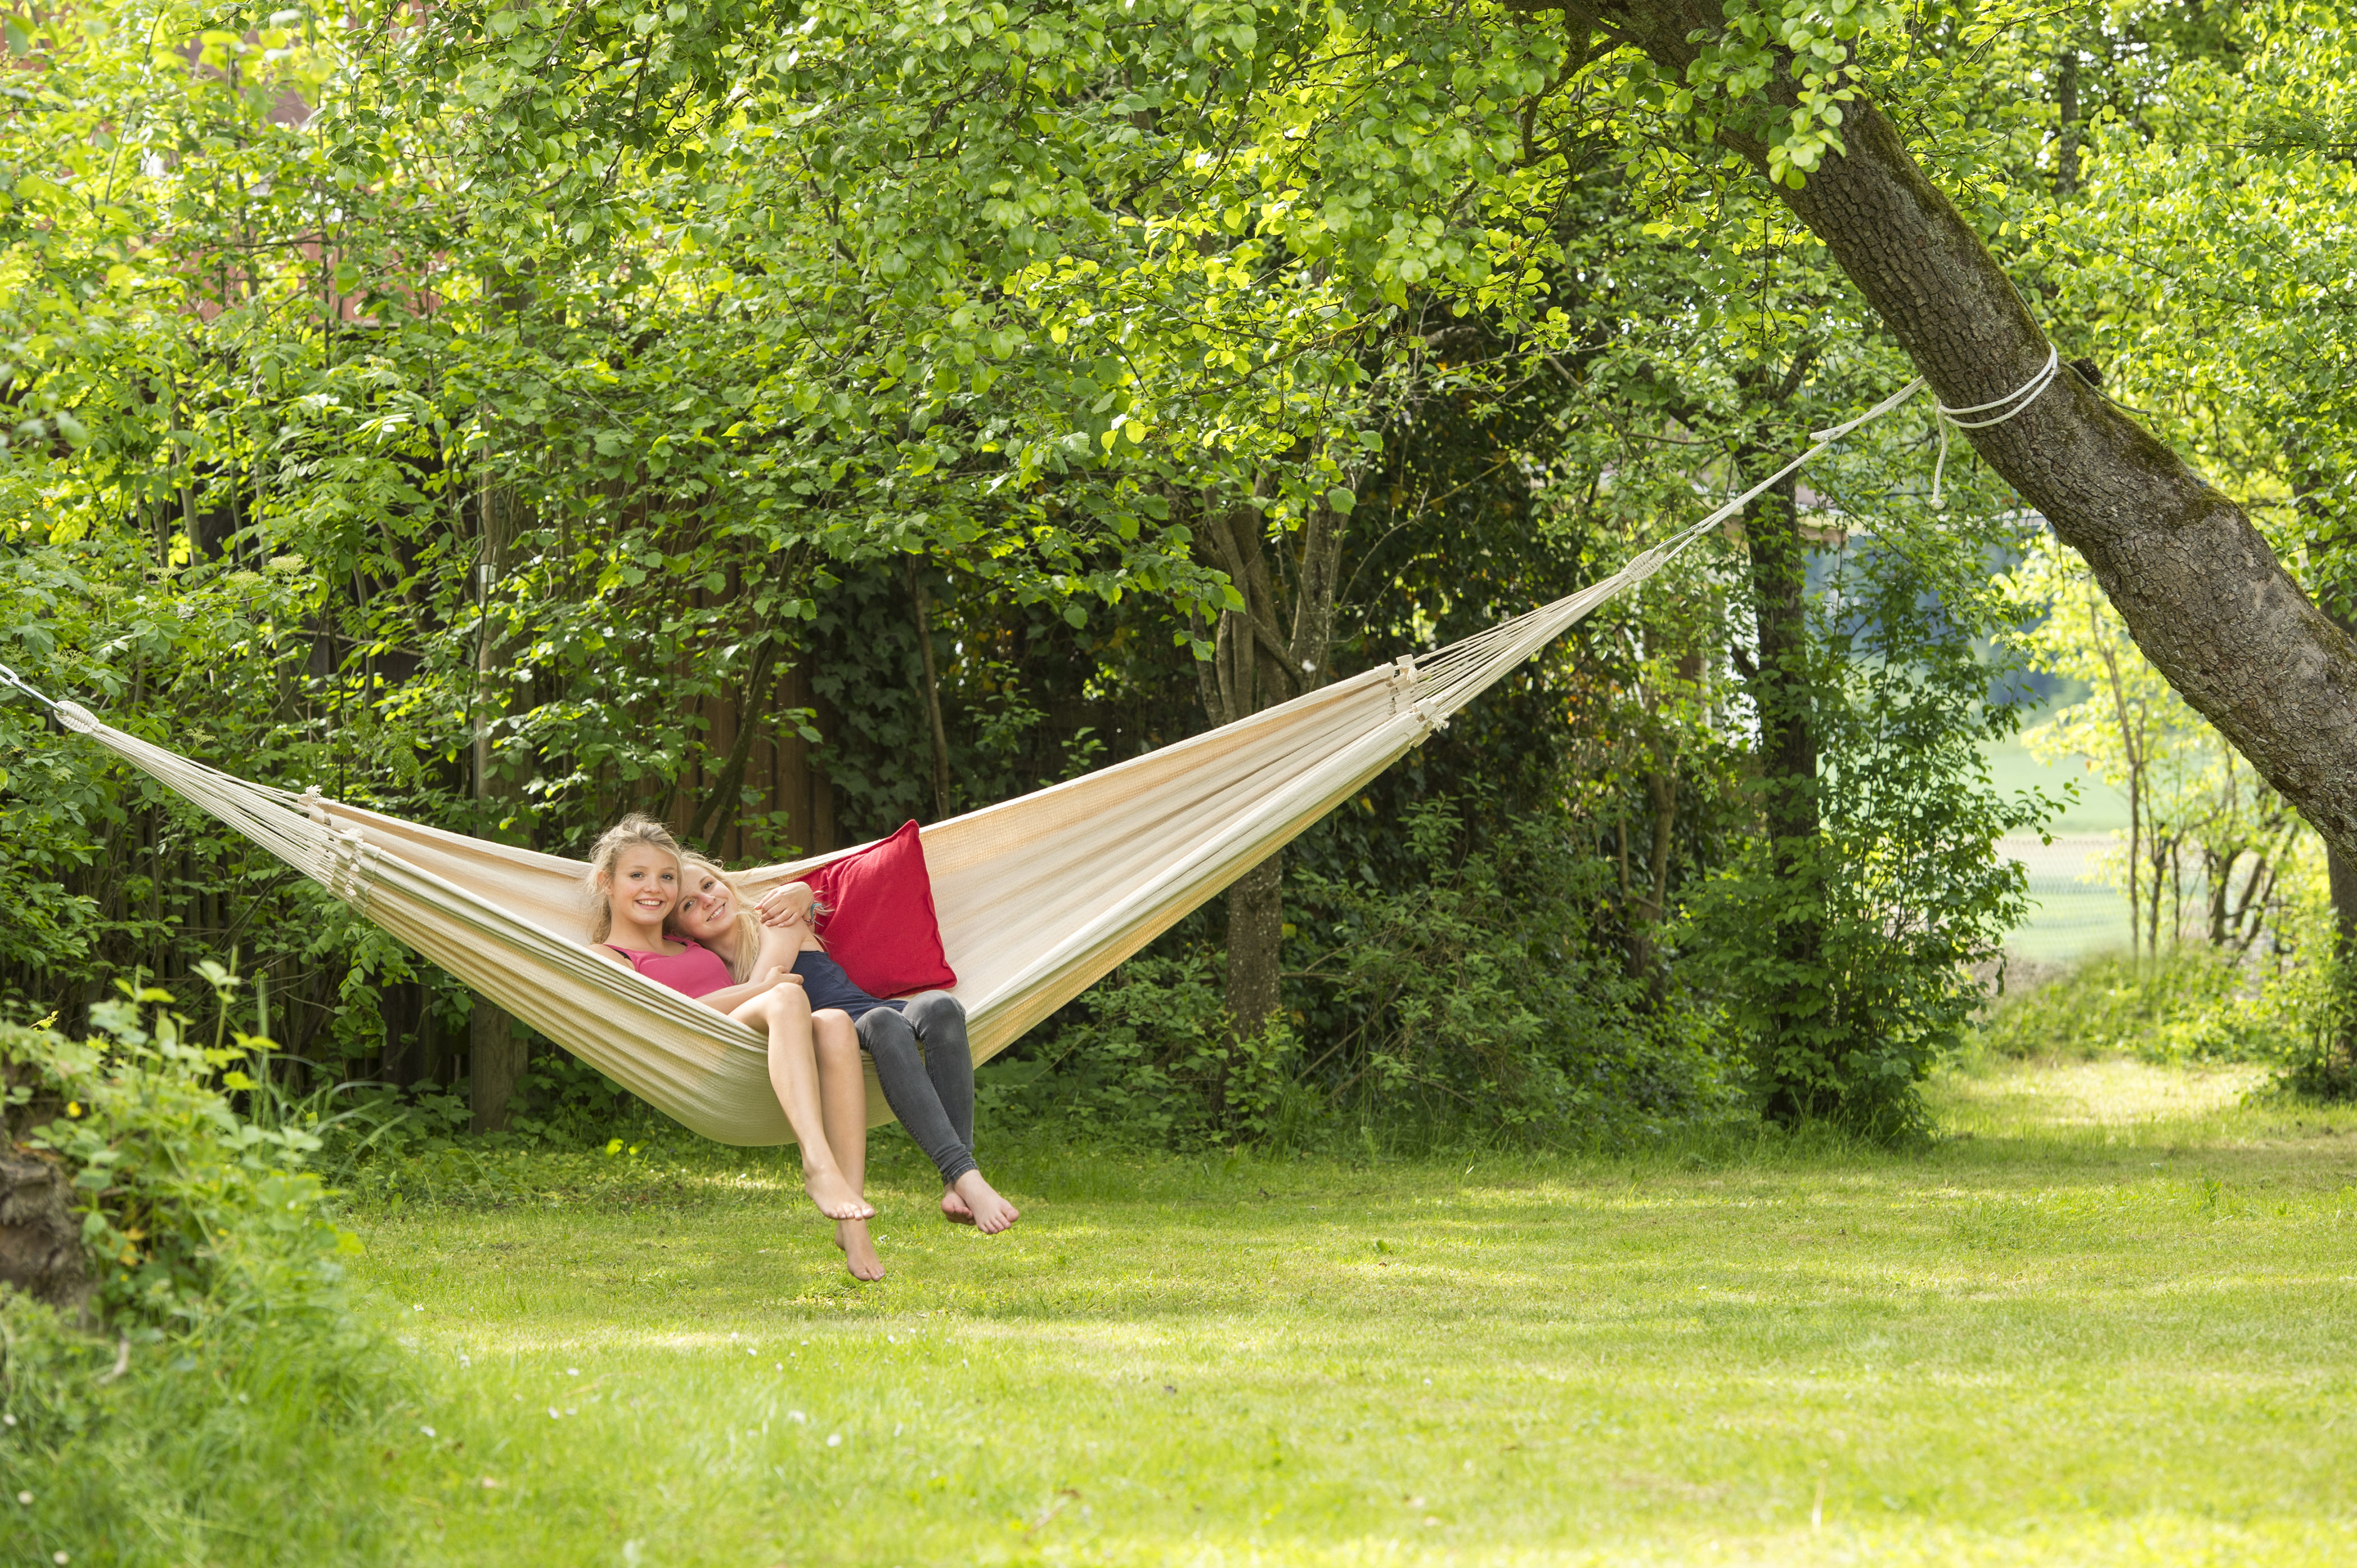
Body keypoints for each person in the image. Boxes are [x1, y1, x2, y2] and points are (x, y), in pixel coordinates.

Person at [671, 854, 1020, 1237]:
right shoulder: (705, 969)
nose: (707, 900)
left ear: (726, 883)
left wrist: (802, 893)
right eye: (688, 904)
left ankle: (960, 1176)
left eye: (708, 885)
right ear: (680, 928)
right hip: (841, 1034)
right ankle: (964, 1175)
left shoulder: (772, 921)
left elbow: (769, 976)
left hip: (869, 1010)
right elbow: (737, 1004)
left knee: (940, 1005)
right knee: (885, 1023)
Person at [579, 816, 876, 1254]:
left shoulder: (693, 942)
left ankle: (852, 1222)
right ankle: (816, 1161)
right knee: (788, 999)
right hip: (701, 1053)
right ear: (606, 882)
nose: (654, 887)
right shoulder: (609, 956)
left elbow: (751, 908)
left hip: (763, 1048)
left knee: (833, 1022)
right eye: (637, 875)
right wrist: (761, 989)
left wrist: (803, 893)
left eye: (666, 877)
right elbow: (661, 1016)